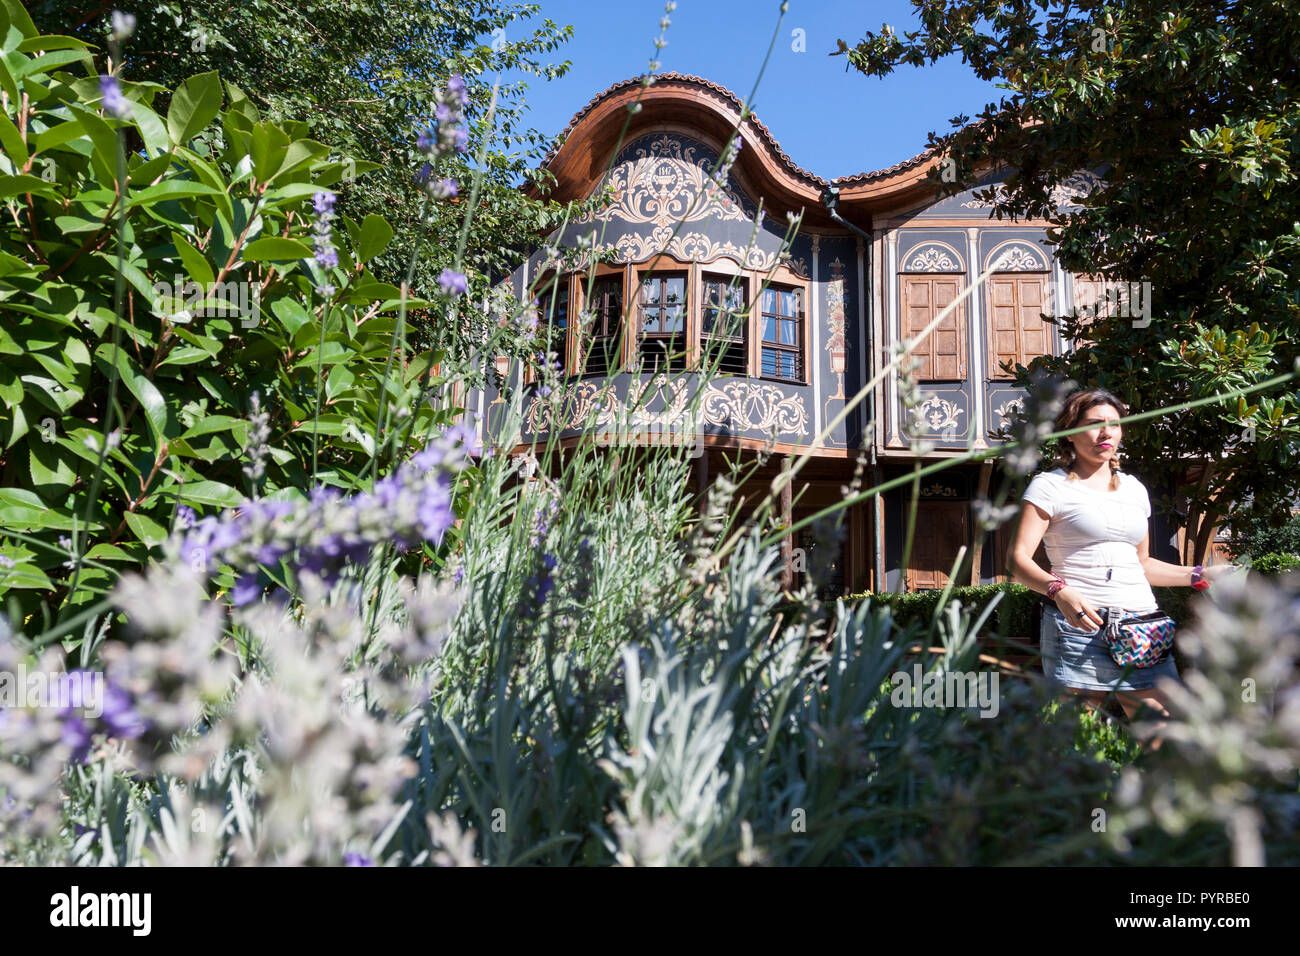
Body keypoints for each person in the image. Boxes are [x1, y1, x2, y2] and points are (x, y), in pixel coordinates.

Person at [1008, 387, 1231, 745]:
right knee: (1076, 744)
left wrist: (1200, 576)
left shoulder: (1134, 489)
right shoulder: (1049, 486)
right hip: (1080, 629)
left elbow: (1142, 564)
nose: (1105, 433)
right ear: (1069, 431)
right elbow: (1017, 560)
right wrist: (1058, 590)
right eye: (1095, 424)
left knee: (1165, 740)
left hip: (1143, 629)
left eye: (1114, 425)